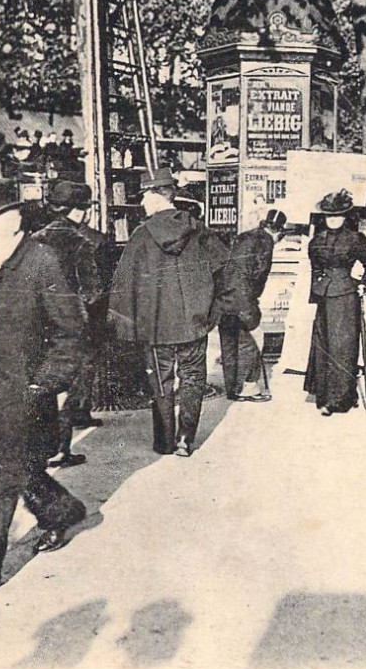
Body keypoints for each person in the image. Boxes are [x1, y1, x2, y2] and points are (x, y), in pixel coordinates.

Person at [0, 178, 87, 606]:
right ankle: (63, 511)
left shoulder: (42, 263)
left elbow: (72, 334)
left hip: (18, 398)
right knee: (13, 471)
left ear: (12, 220)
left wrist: (42, 384)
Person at [108, 165, 229, 457]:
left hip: (156, 324)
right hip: (194, 322)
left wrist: (124, 323)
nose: (141, 203)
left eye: (144, 196)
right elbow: (225, 267)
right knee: (193, 378)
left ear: (155, 196)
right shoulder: (198, 229)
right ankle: (186, 439)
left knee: (160, 381)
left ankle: (164, 441)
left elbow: (124, 282)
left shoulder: (140, 235)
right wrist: (212, 308)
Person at [32, 180, 114, 467]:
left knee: (42, 388)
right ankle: (60, 450)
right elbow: (92, 292)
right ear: (79, 212)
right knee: (65, 389)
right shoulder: (80, 243)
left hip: (37, 325)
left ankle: (41, 448)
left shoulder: (35, 239)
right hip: (69, 326)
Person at [304, 189, 366, 416]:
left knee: (343, 346)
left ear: (345, 216)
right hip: (324, 297)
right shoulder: (316, 241)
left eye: (337, 216)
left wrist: (363, 283)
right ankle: (325, 397)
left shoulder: (356, 239)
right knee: (324, 344)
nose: (333, 220)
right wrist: (315, 292)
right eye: (329, 216)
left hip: (346, 296)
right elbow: (315, 269)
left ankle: (342, 397)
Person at [218, 208, 286, 401]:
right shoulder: (265, 242)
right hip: (243, 298)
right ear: (279, 232)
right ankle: (249, 388)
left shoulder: (243, 236)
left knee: (230, 343)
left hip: (224, 298)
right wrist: (252, 306)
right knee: (252, 342)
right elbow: (257, 274)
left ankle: (233, 389)